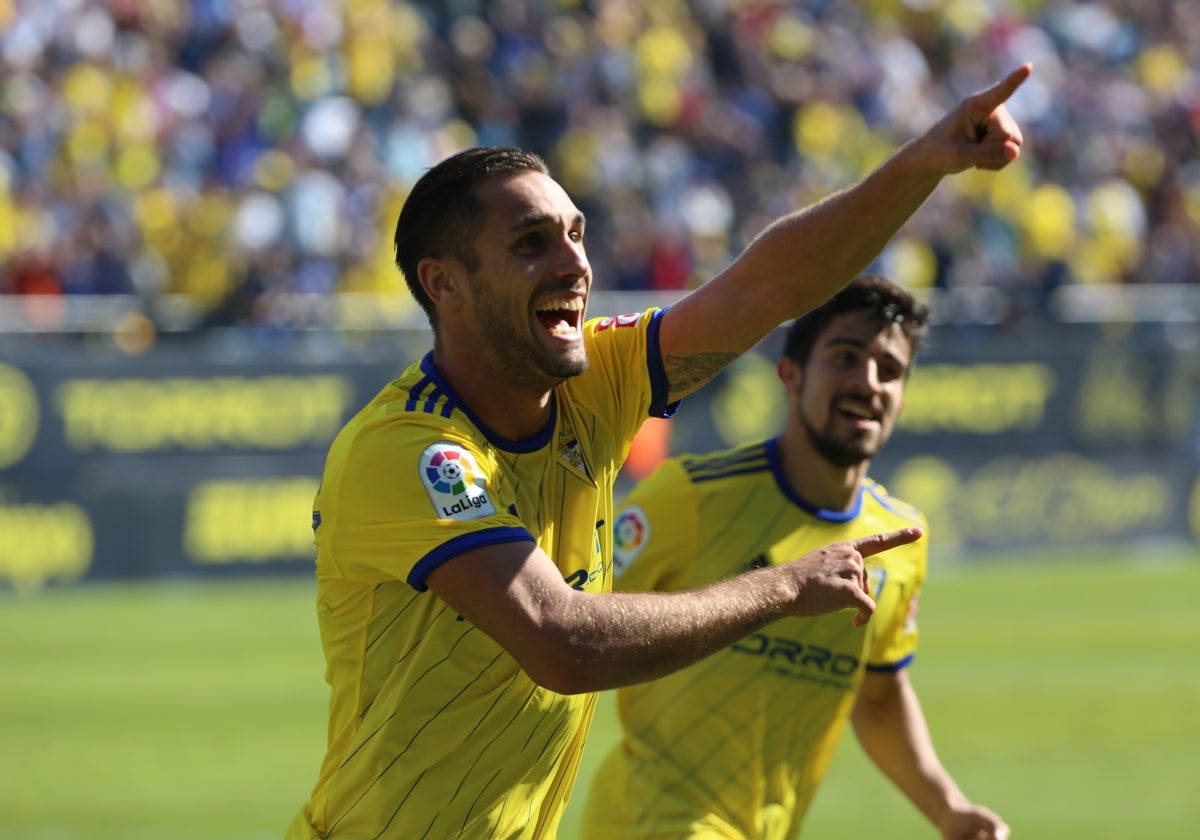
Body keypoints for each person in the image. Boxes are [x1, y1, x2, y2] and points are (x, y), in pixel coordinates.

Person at [285, 64, 1032, 840]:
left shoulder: (592, 387)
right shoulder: (411, 450)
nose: (575, 264)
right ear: (444, 284)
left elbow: (759, 293)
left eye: (577, 234)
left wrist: (923, 164)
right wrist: (780, 588)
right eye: (531, 244)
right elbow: (561, 642)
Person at [582, 275, 1008, 840]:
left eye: (889, 369)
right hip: (650, 824)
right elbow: (573, 622)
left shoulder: (900, 540)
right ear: (791, 374)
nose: (868, 382)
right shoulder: (688, 498)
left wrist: (948, 809)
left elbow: (878, 696)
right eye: (846, 357)